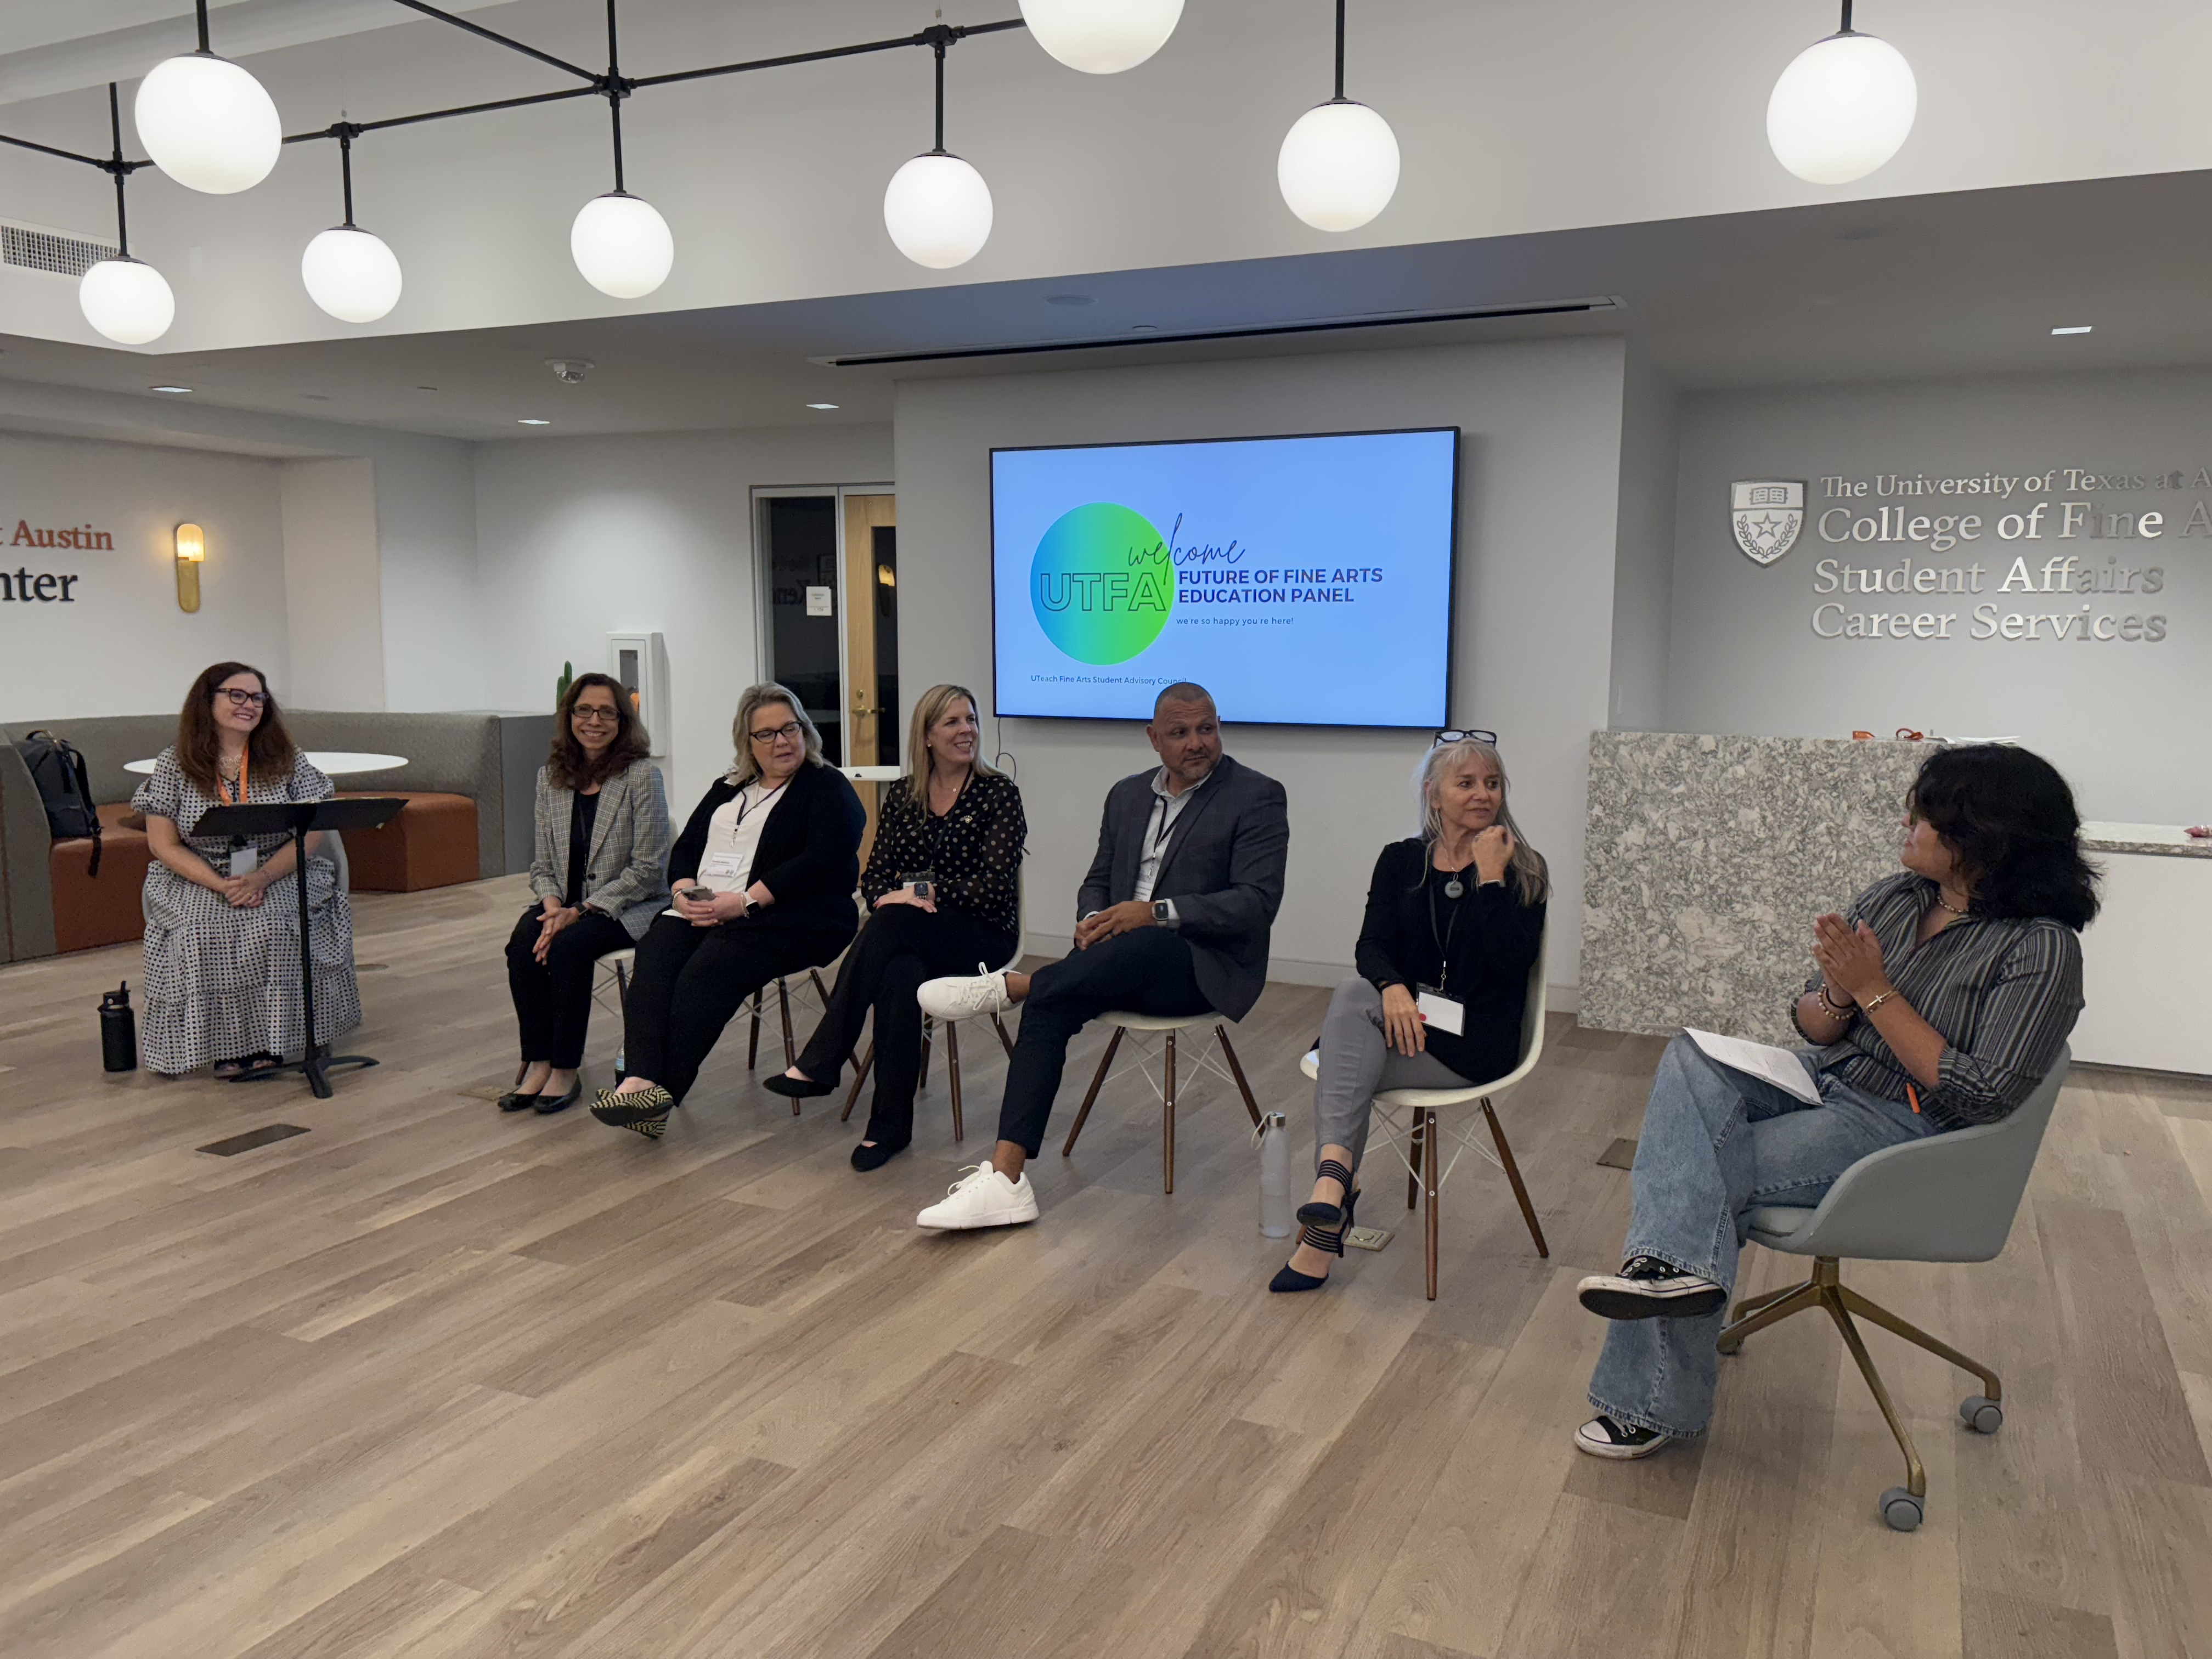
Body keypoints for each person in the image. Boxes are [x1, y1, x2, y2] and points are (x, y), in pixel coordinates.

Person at [1574, 743, 2094, 1461]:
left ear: (1983, 837)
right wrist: (1842, 993)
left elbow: (1983, 1092)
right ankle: (1672, 1274)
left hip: (1904, 1124)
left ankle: (1651, 1378)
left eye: (1926, 813)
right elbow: (1814, 1024)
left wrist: (1876, 991)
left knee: (1698, 1177)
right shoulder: (1896, 896)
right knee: (1692, 1056)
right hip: (1822, 1074)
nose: (1906, 822)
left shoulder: (2040, 949)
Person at [912, 682, 1288, 1229]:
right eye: (1180, 733)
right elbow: (1097, 879)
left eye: (1207, 729)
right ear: (1153, 739)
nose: (1197, 743)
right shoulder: (1127, 795)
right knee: (1052, 1007)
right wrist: (1093, 920)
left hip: (1201, 966)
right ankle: (1006, 1179)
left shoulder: (1256, 795)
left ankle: (1013, 985)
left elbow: (1255, 904)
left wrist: (1153, 912)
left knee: (1143, 939)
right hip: (1114, 958)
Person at [1272, 734, 1548, 1292]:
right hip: (1413, 1023)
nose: (1482, 795)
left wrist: (1490, 878)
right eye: (1465, 783)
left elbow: (1513, 963)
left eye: (1491, 784)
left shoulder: (1524, 869)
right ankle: (1330, 1200)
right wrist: (1393, 988)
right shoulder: (1401, 861)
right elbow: (1371, 947)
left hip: (1477, 1042)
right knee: (1357, 994)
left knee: (1345, 1060)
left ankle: (1329, 1205)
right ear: (1433, 794)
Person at [764, 684, 1026, 1170]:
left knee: (893, 919)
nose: (966, 730)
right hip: (910, 933)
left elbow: (992, 887)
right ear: (926, 735)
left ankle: (824, 1058)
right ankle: (888, 1128)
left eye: (970, 720)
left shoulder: (998, 794)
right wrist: (900, 898)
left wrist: (918, 895)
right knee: (899, 973)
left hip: (982, 934)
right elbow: (876, 876)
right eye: (952, 722)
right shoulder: (905, 795)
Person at [591, 684, 865, 1139]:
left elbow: (824, 858)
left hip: (794, 918)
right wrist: (680, 894)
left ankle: (658, 1093)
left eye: (790, 729)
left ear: (806, 730)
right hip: (707, 910)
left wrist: (745, 901)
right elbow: (686, 849)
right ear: (748, 743)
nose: (782, 741)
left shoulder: (825, 785)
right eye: (768, 734)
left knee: (710, 967)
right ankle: (639, 1078)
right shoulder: (729, 786)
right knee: (657, 951)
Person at [132, 661, 360, 1079]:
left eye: (257, 697)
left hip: (279, 866)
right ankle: (225, 1045)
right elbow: (162, 844)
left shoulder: (285, 758)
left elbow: (313, 831)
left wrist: (263, 877)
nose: (249, 705)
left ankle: (275, 1041)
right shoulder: (174, 764)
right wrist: (222, 884)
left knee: (273, 923)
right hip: (201, 871)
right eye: (236, 695)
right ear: (208, 700)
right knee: (203, 927)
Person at [498, 673, 671, 1115]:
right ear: (570, 716)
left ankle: (565, 1070)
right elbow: (542, 863)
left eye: (606, 712)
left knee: (568, 948)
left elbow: (649, 870)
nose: (594, 720)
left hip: (624, 904)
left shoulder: (641, 778)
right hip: (565, 902)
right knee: (522, 946)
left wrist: (582, 910)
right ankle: (538, 1060)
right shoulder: (550, 778)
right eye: (584, 710)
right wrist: (554, 904)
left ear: (622, 720)